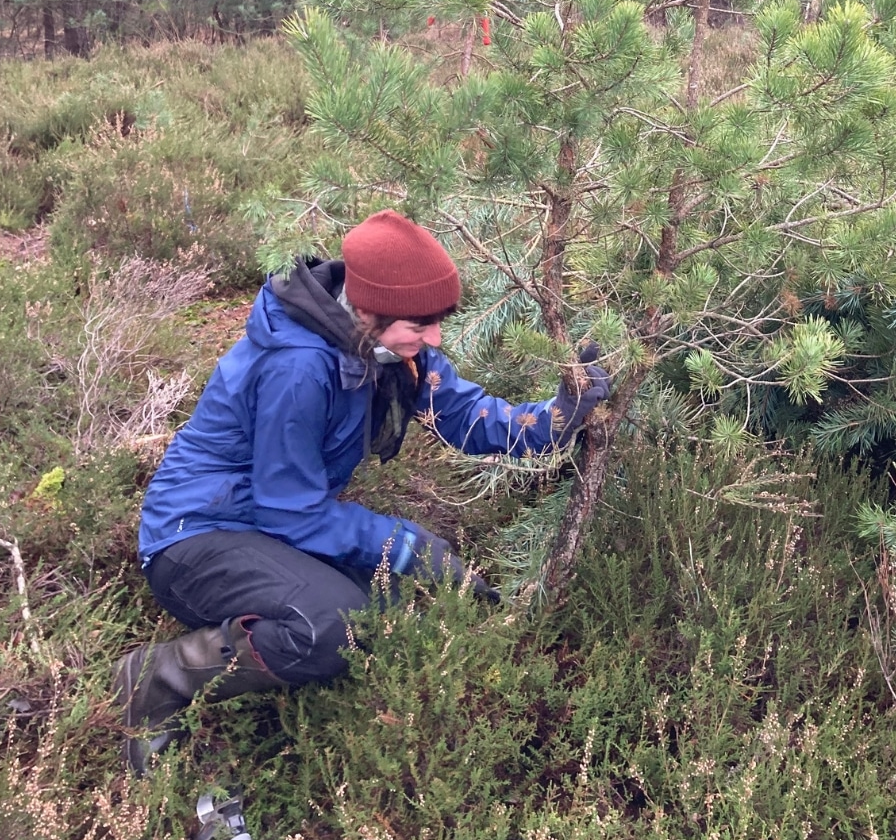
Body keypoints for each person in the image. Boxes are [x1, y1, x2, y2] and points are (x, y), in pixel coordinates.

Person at [113, 210, 610, 775]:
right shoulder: (297, 367)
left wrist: (557, 417)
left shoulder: (382, 342)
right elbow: (289, 510)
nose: (434, 338)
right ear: (369, 309)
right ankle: (159, 678)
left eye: (438, 322)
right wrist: (406, 545)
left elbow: (463, 413)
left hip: (268, 526)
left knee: (392, 613)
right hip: (196, 537)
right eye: (421, 325)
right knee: (338, 626)